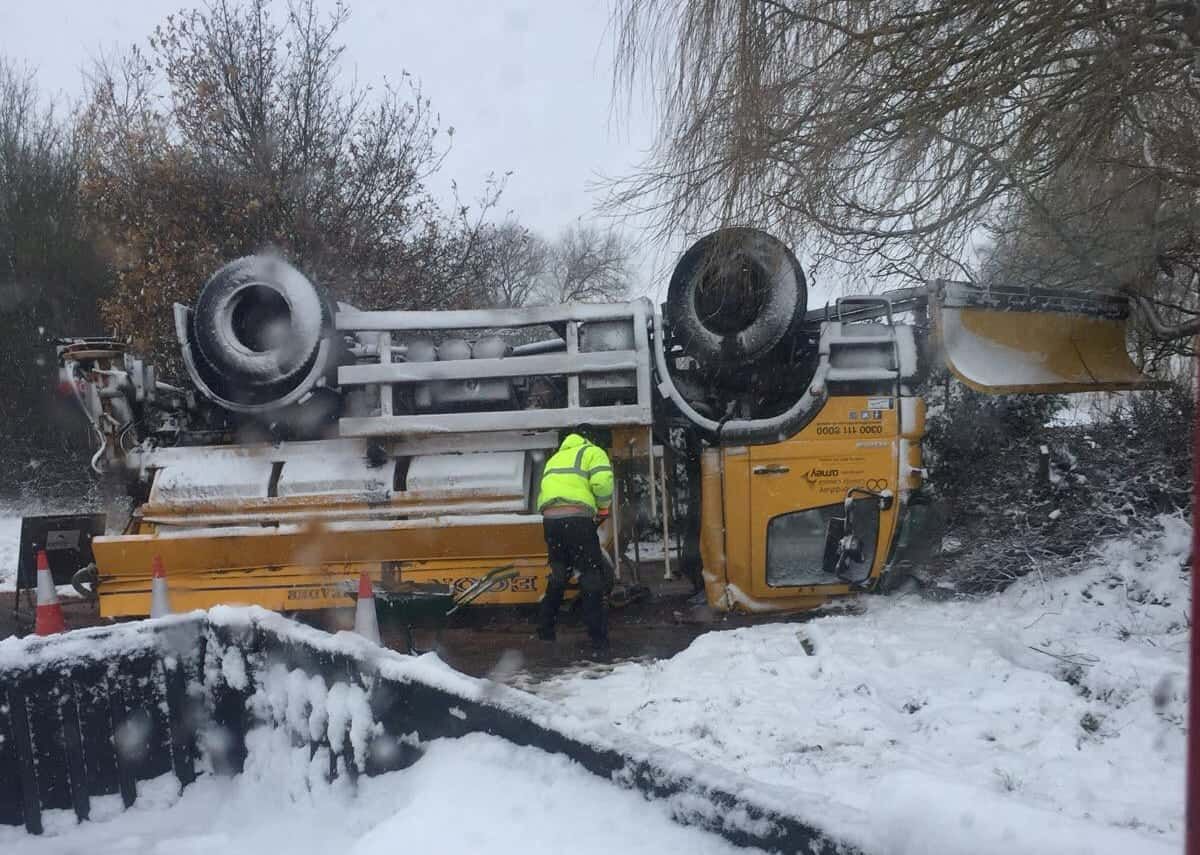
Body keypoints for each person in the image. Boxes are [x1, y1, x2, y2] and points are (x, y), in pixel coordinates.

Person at [535, 425, 614, 654]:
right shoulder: (592, 451)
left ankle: (545, 629)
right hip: (577, 520)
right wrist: (603, 508)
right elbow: (602, 482)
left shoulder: (556, 458)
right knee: (590, 576)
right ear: (592, 438)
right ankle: (598, 640)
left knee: (559, 574)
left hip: (551, 522)